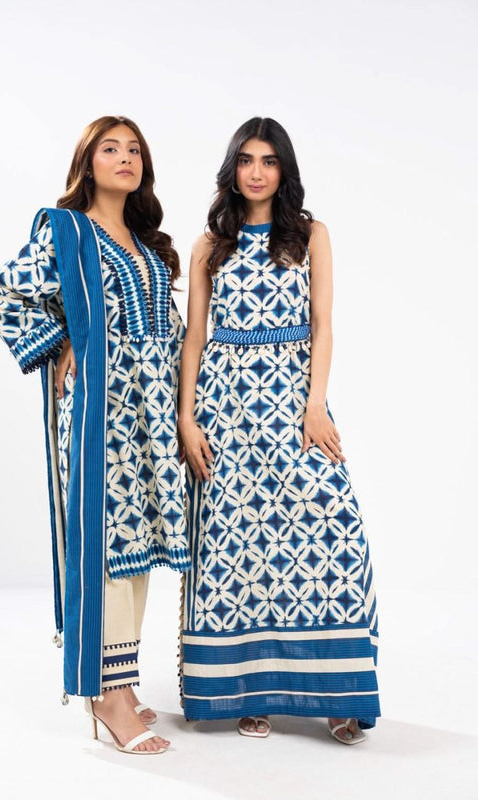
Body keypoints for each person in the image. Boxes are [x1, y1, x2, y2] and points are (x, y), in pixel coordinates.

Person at [0, 115, 190, 754]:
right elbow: (1, 296)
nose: (125, 158)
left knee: (137, 545)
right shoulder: (67, 231)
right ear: (88, 163)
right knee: (105, 542)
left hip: (151, 416)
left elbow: (170, 329)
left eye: (135, 150)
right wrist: (60, 340)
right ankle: (104, 697)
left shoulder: (146, 246)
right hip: (101, 412)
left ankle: (121, 682)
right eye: (110, 148)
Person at [178, 117, 380, 745]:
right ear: (232, 168)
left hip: (293, 403)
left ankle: (339, 692)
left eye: (268, 161)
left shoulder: (311, 235)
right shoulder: (210, 245)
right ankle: (249, 691)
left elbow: (323, 324)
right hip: (225, 408)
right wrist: (187, 417)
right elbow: (195, 337)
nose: (257, 172)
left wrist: (316, 405)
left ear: (284, 169)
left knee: (331, 527)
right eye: (246, 160)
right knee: (236, 547)